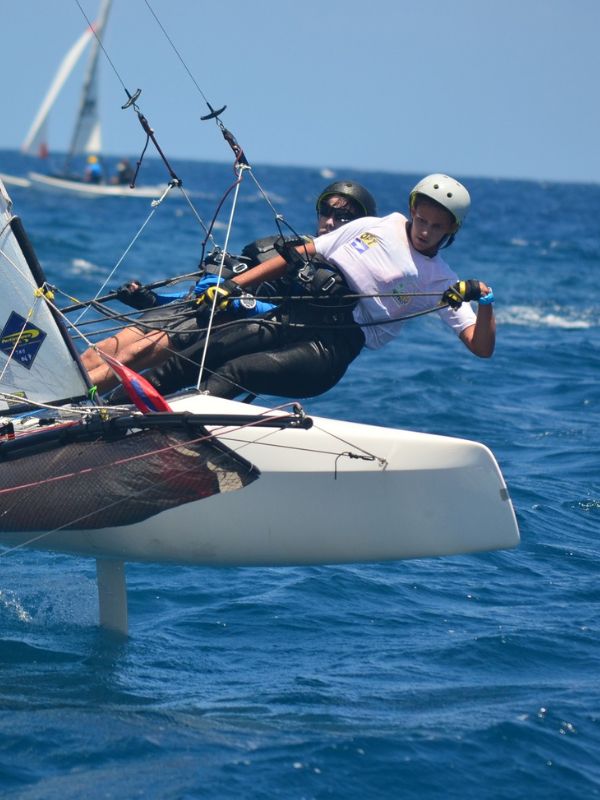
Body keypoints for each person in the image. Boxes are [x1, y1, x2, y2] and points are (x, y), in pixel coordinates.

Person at [143, 174, 494, 401]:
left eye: (437, 227)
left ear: (451, 231)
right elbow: (301, 254)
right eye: (421, 219)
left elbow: (481, 348)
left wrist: (485, 299)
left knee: (236, 371)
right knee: (198, 354)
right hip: (296, 317)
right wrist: (231, 287)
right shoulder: (374, 227)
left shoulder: (443, 282)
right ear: (412, 210)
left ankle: (174, 431)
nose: (425, 231)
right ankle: (107, 410)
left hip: (330, 348)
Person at [82, 181, 377, 394]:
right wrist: (151, 299)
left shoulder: (337, 277)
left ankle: (66, 404)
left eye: (342, 217)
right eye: (325, 211)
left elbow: (293, 319)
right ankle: (46, 401)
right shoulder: (290, 246)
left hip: (222, 322)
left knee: (134, 355)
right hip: (192, 307)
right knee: (101, 351)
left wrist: (241, 303)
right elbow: (208, 289)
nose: (329, 221)